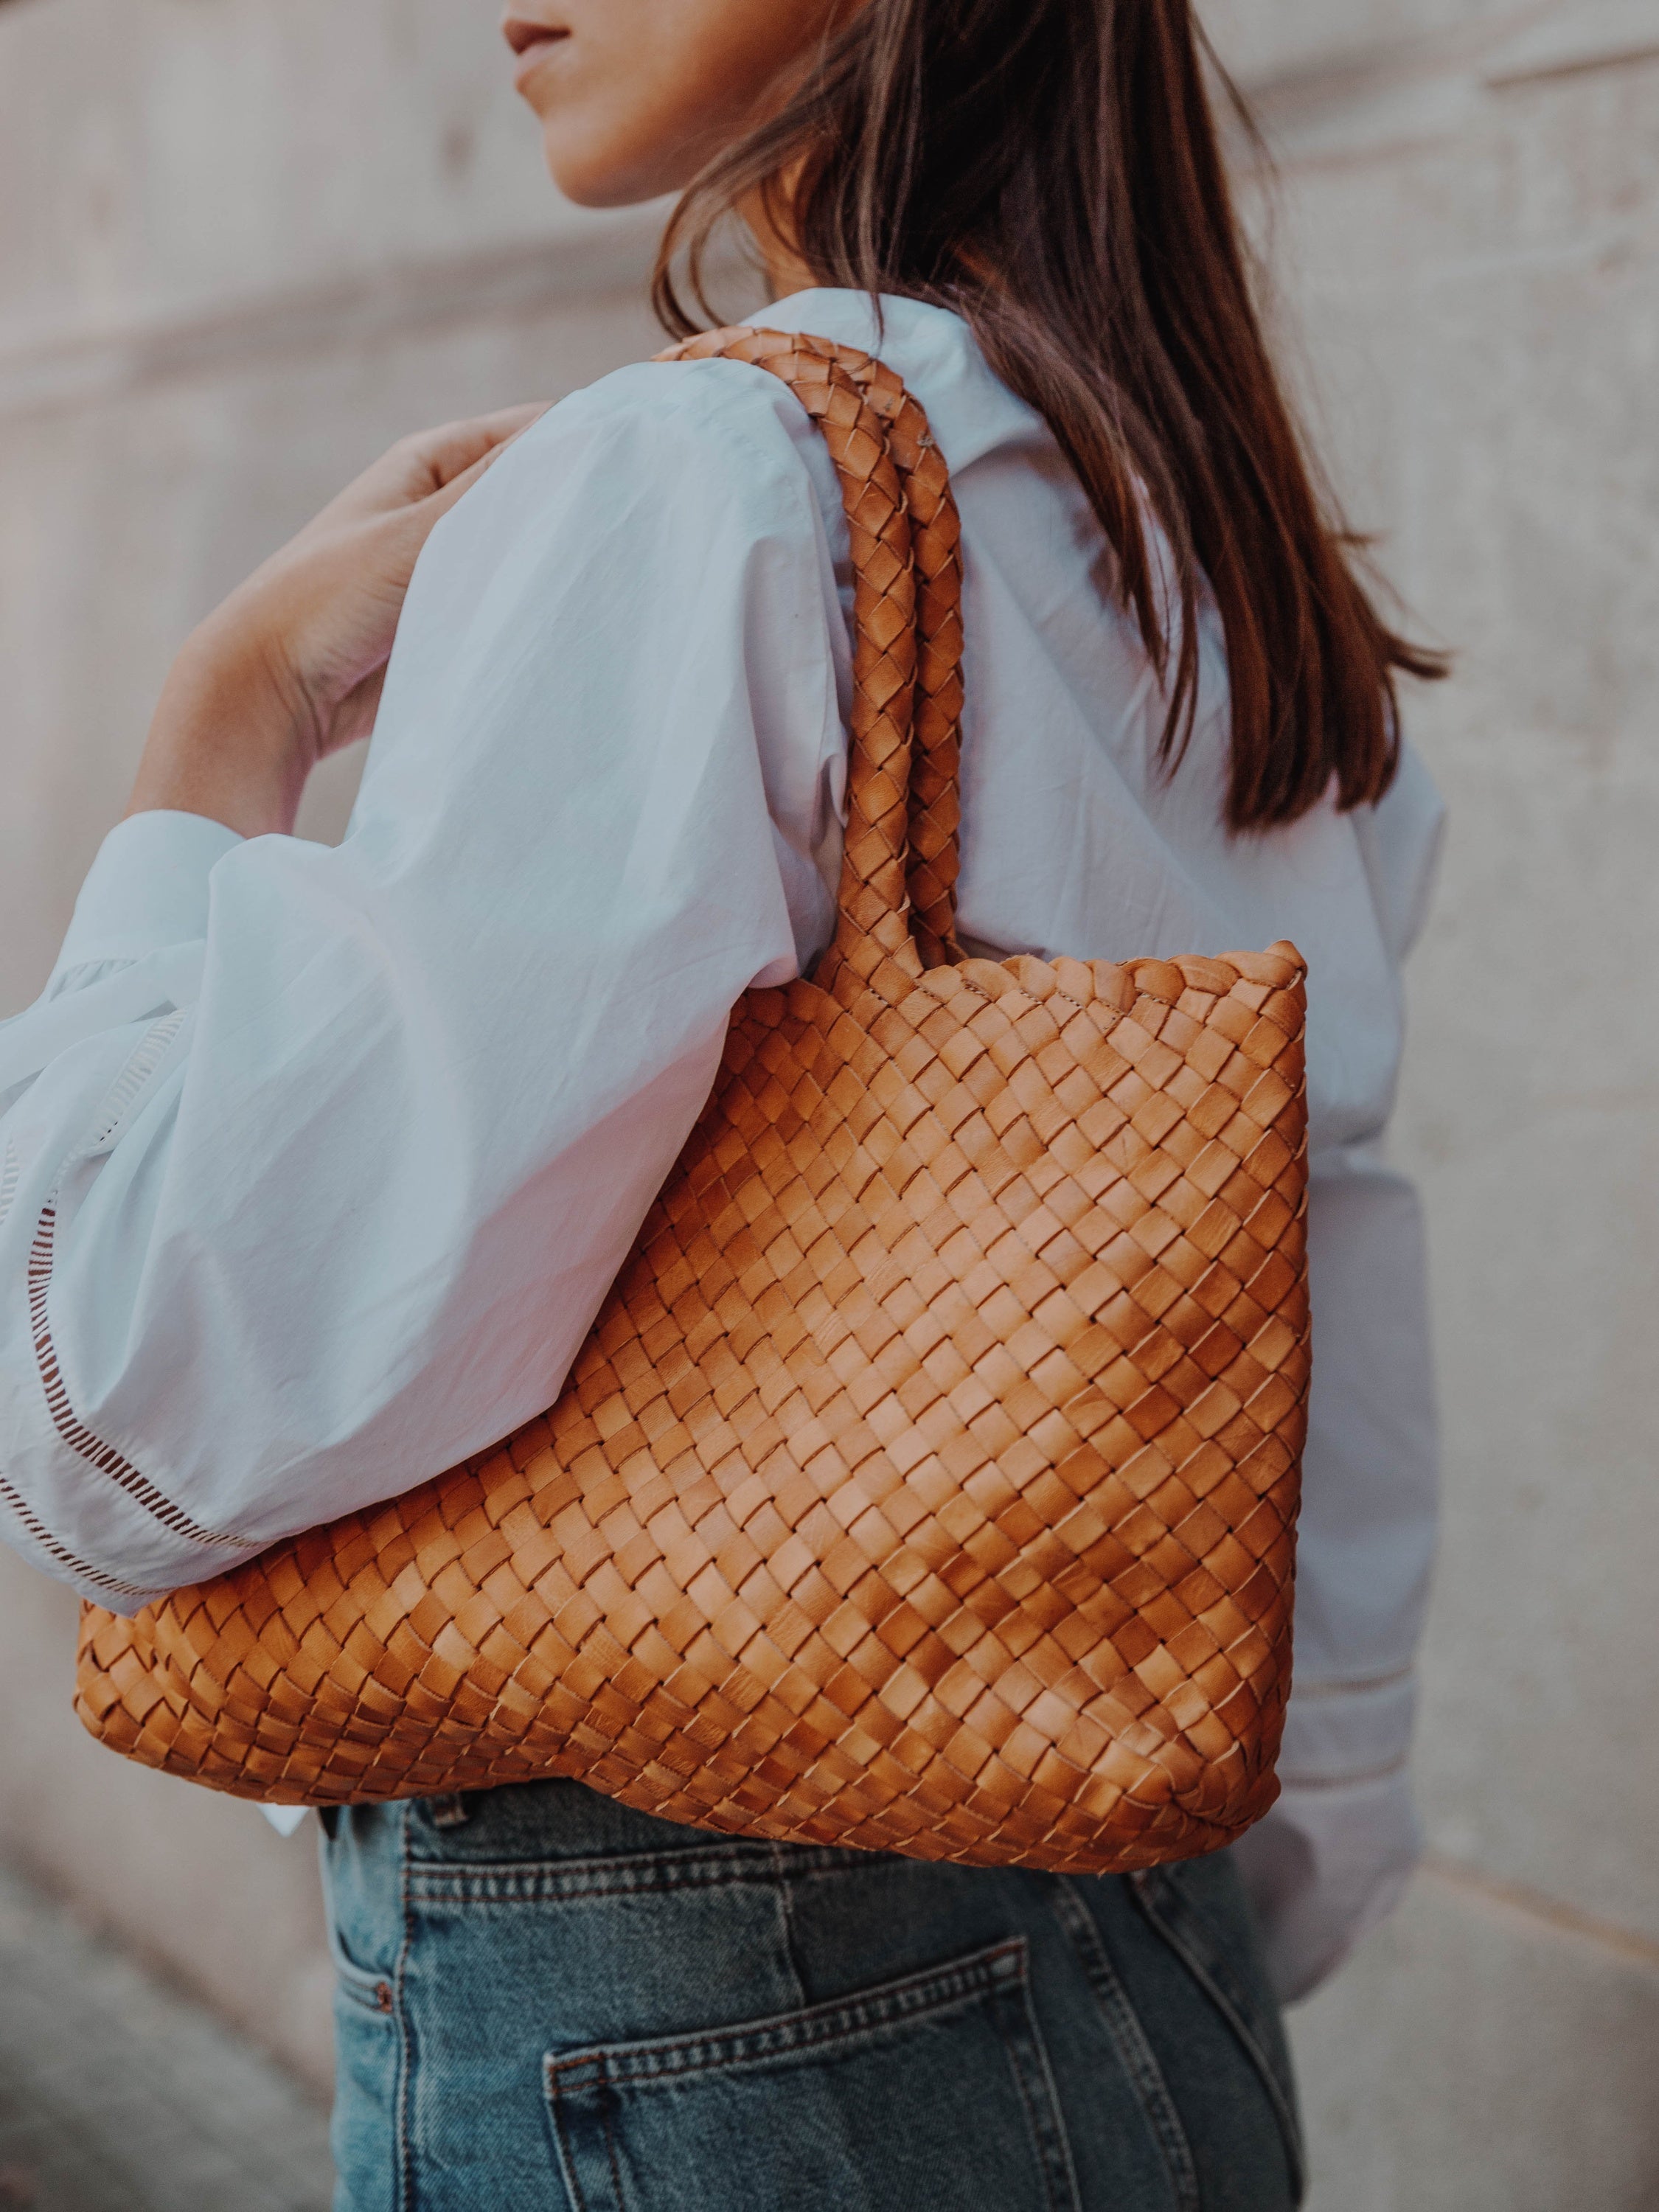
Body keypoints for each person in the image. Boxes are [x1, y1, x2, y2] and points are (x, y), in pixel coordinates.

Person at [0, 2, 1444, 2204]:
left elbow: (142, 1391)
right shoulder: (1204, 545)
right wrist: (1241, 1868)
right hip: (1152, 1948)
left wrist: (217, 731)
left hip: (683, 2014)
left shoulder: (697, 486)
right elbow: (1321, 1295)